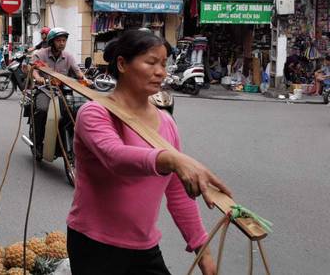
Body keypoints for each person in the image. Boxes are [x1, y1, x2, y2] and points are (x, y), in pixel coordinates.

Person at [67, 30, 232, 275]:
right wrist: (171, 159)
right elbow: (116, 157)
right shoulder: (95, 113)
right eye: (151, 62)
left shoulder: (166, 123)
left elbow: (177, 193)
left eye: (164, 64)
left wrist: (203, 250)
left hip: (145, 248)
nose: (161, 72)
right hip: (94, 245)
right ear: (122, 64)